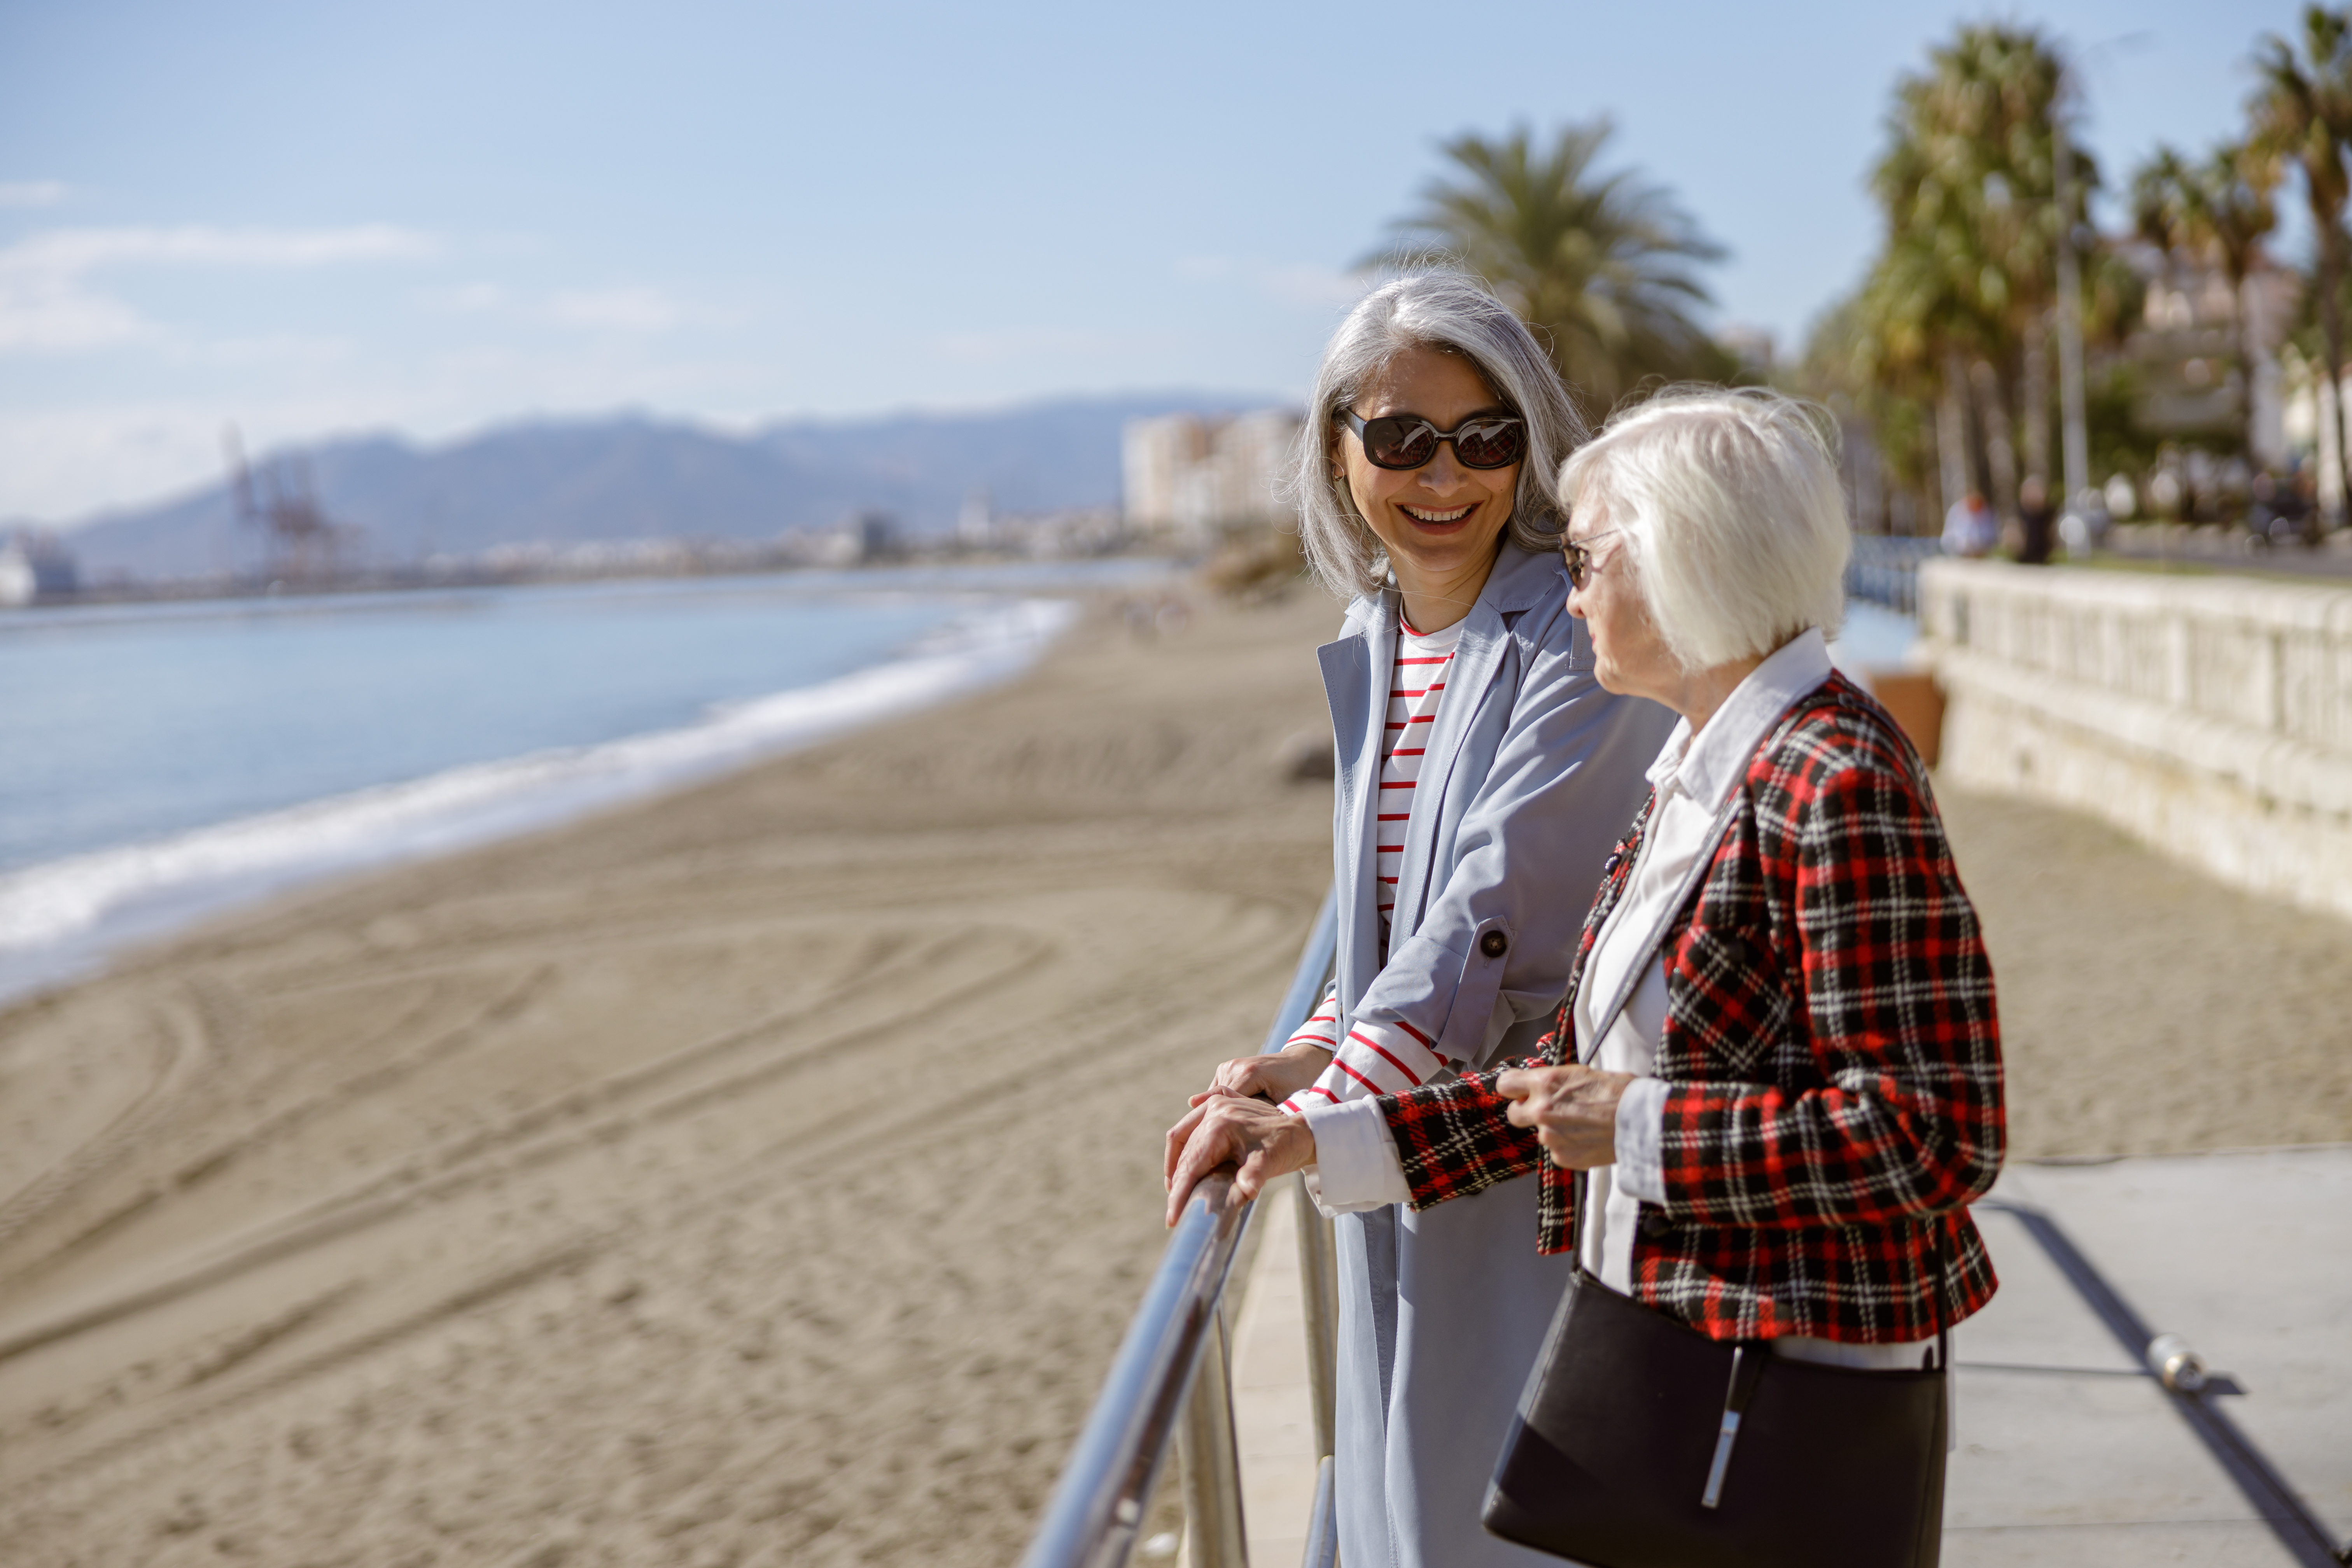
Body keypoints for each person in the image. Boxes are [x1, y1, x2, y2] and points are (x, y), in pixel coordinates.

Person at [1169, 388, 2005, 1531]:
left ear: (1681, 561)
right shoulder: (1700, 770)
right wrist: (1322, 1133)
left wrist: (1638, 1130)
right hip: (1686, 1383)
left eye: (1585, 559)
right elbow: (1559, 1078)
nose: (1568, 596)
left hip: (1789, 1412)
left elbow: (1936, 1134)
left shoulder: (1836, 780)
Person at [1175, 272, 1671, 1568]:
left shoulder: (1575, 637)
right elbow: (1394, 927)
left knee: (1502, 1509)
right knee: (1405, 1488)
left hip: (1521, 1170)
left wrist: (1313, 1113)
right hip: (1397, 1151)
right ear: (1337, 457)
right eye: (1397, 437)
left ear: (1530, 443)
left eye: (1481, 435)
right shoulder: (1374, 634)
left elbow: (1487, 916)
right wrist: (1317, 1047)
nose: (1439, 472)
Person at [1942, 488, 1999, 558]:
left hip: (1983, 555)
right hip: (1959, 556)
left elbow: (1992, 535)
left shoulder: (1988, 512)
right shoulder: (1956, 511)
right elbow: (1948, 538)